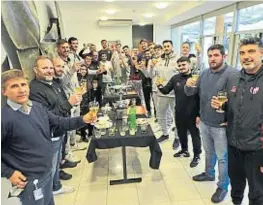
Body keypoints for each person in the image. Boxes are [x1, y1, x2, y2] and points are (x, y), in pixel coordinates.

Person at [1, 69, 95, 205]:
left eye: (23, 84)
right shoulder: (4, 118)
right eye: (14, 86)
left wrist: (83, 120)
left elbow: (59, 122)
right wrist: (9, 172)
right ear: (4, 92)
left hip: (46, 173)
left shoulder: (37, 107)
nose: (21, 90)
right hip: (28, 181)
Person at [211, 37, 263, 205]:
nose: (246, 56)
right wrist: (224, 107)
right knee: (236, 186)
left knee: (257, 193)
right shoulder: (234, 78)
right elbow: (234, 107)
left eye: (251, 51)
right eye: (242, 52)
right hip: (233, 146)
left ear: (261, 53)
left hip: (257, 150)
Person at [185, 44, 239, 203]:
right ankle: (209, 173)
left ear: (224, 56)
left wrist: (229, 119)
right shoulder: (204, 73)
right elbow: (192, 94)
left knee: (223, 158)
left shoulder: (233, 74)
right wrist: (188, 86)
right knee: (208, 152)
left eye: (216, 55)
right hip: (204, 121)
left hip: (221, 126)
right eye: (210, 56)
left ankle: (223, 186)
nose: (212, 59)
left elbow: (238, 102)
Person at [29, 56, 81, 195]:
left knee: (57, 162)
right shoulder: (35, 90)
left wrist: (72, 102)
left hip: (60, 129)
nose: (49, 71)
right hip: (50, 133)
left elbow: (62, 103)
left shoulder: (53, 83)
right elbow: (47, 116)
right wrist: (69, 103)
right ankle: (51, 190)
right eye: (45, 68)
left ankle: (56, 186)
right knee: (51, 165)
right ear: (36, 70)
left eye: (51, 68)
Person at [157, 56, 201, 168]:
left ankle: (197, 155)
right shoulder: (175, 78)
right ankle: (184, 150)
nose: (181, 67)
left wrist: (199, 114)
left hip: (193, 112)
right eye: (180, 65)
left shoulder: (196, 78)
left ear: (189, 65)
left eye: (184, 65)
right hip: (179, 111)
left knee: (195, 135)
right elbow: (166, 91)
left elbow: (202, 97)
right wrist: (159, 85)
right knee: (181, 133)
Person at [152, 40, 180, 148]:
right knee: (160, 115)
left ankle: (177, 137)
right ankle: (165, 134)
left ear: (172, 47)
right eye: (165, 46)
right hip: (161, 93)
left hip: (174, 94)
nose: (166, 48)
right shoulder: (159, 60)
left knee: (176, 117)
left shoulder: (177, 59)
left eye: (168, 46)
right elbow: (153, 74)